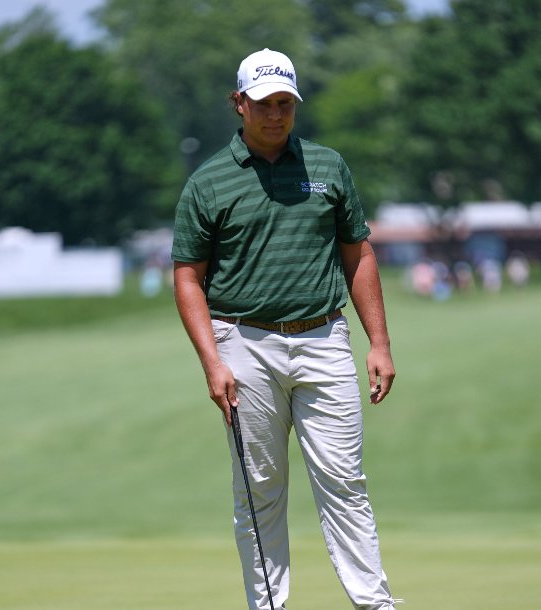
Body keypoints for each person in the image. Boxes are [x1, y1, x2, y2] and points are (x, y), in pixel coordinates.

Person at [171, 48, 401, 610]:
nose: (276, 114)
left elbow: (358, 254)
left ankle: (375, 605)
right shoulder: (209, 182)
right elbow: (188, 279)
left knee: (345, 484)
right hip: (244, 345)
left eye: (285, 103)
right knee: (260, 494)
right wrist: (212, 363)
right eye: (264, 103)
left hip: (324, 339)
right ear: (240, 104)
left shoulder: (328, 167)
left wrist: (379, 342)